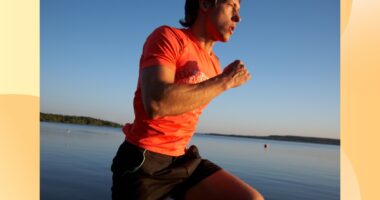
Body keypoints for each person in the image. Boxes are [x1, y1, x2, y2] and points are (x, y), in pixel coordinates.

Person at [111, 0, 264, 199]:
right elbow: (157, 103)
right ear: (206, 4)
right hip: (145, 160)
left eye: (239, 10)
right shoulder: (168, 37)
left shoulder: (215, 64)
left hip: (183, 159)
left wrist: (221, 79)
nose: (238, 17)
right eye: (231, 6)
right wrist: (225, 80)